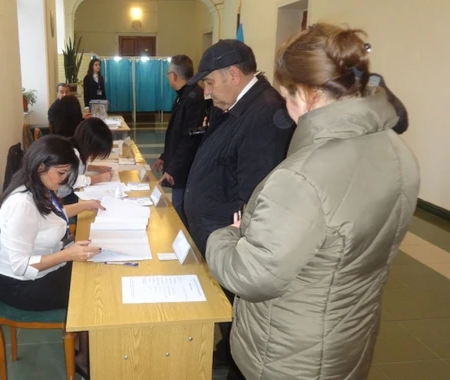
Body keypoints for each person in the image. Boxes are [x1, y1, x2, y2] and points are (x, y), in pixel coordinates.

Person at [205, 23, 419, 380]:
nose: (287, 111)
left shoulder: (301, 178)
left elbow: (252, 276)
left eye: (287, 98)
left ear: (305, 94)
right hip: (348, 341)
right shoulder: (398, 152)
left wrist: (224, 236)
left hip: (286, 356)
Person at [183, 39, 295, 378]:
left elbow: (256, 195)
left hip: (232, 241)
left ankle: (237, 363)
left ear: (233, 74)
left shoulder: (264, 114)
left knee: (238, 314)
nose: (206, 92)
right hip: (215, 232)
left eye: (210, 82)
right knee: (225, 308)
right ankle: (227, 348)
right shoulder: (237, 106)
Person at [0, 135, 105, 378]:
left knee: (92, 275)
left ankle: (81, 344)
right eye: (61, 172)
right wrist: (68, 254)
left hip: (42, 268)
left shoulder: (38, 187)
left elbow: (52, 215)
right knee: (88, 293)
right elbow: (21, 266)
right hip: (19, 284)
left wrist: (85, 205)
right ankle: (84, 357)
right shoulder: (22, 204)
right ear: (41, 167)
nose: (64, 179)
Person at [152, 55, 205, 227]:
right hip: (178, 165)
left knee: (181, 210)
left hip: (185, 169)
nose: (168, 77)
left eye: (168, 73)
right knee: (177, 207)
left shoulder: (194, 97)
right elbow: (175, 134)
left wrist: (173, 167)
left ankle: (187, 248)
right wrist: (164, 157)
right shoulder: (182, 96)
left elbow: (190, 139)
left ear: (174, 75)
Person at [57, 117, 114, 206]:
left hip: (64, 194)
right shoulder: (73, 153)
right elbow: (74, 181)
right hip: (62, 198)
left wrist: (96, 168)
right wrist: (100, 178)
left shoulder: (73, 146)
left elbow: (76, 166)